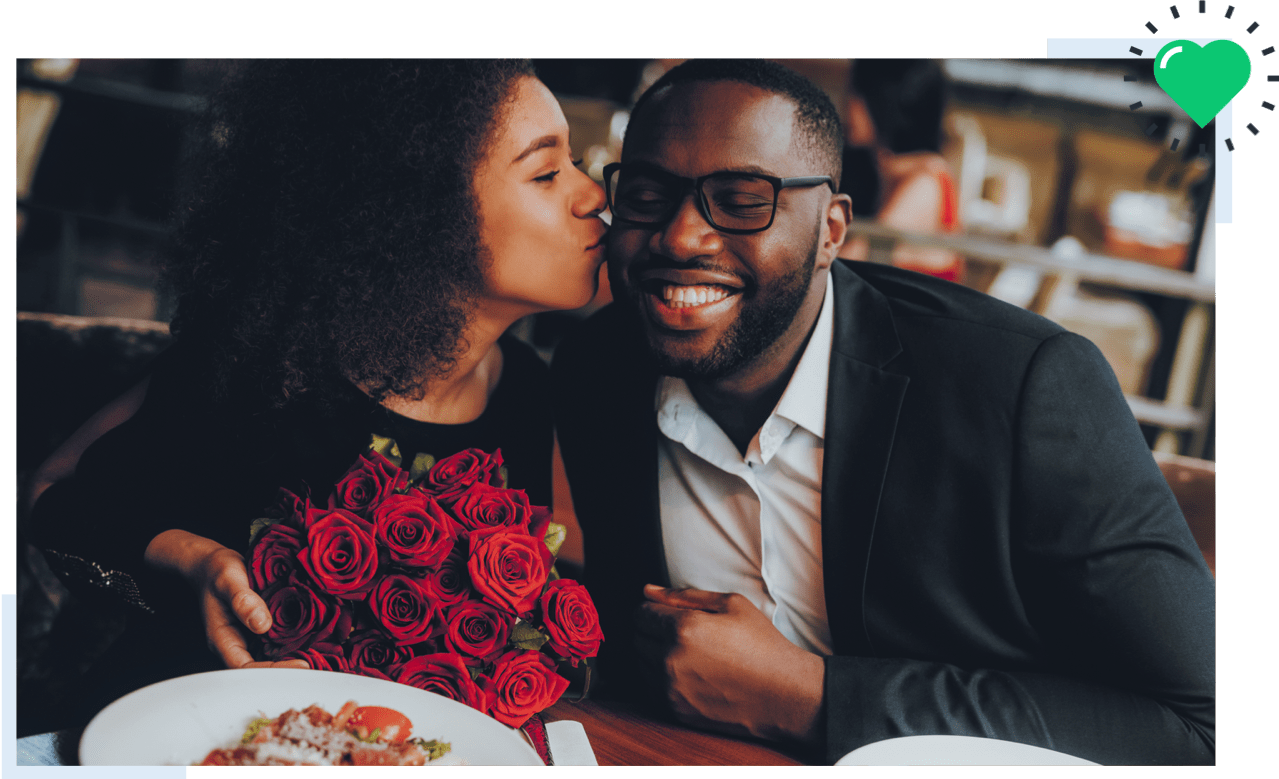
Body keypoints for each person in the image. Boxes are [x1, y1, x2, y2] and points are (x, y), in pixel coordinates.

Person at [551, 59, 1214, 765]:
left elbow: (1206, 720)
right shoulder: (598, 370)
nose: (681, 237)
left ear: (831, 231)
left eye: (742, 199)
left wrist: (808, 695)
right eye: (649, 193)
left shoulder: (1023, 389)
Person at [25, 59, 607, 726]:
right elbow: (56, 497)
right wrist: (192, 558)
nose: (592, 195)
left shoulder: (528, 391)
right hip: (173, 732)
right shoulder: (274, 365)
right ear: (419, 210)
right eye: (546, 172)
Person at [838, 59, 964, 281]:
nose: (848, 104)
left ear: (883, 101)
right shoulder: (898, 172)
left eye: (857, 93)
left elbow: (848, 261)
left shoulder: (923, 184)